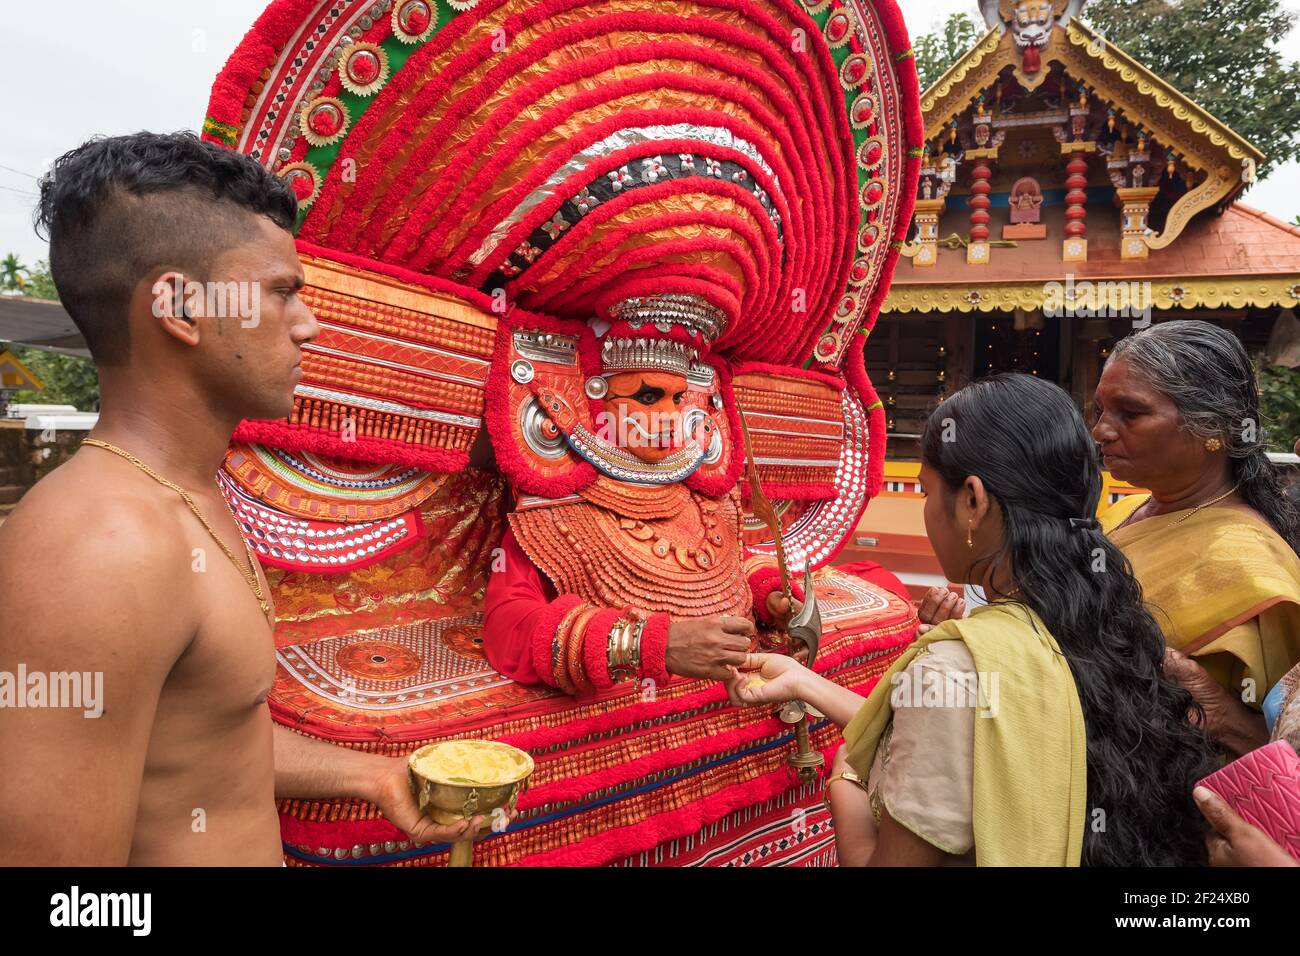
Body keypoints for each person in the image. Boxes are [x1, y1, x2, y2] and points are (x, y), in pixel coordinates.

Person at [0, 132, 487, 865]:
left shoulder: (185, 495)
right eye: (281, 291)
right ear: (180, 308)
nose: (308, 325)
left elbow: (198, 734)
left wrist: (370, 774)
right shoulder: (101, 548)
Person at [726, 373, 1219, 865]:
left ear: (972, 501)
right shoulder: (1100, 617)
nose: (924, 508)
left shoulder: (959, 663)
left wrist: (845, 783)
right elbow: (967, 742)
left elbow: (943, 731)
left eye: (925, 492)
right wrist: (804, 682)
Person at [482, 295, 799, 693]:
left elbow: (726, 563)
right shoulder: (557, 508)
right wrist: (653, 644)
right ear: (596, 399)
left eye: (679, 398)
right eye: (649, 397)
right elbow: (509, 625)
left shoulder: (698, 493)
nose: (672, 416)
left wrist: (768, 592)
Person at [1094, 320, 1300, 757]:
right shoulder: (1124, 511)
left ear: (1213, 429)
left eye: (1130, 413)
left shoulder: (1249, 562)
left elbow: (1283, 748)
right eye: (1101, 411)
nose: (1102, 431)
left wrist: (1223, 718)